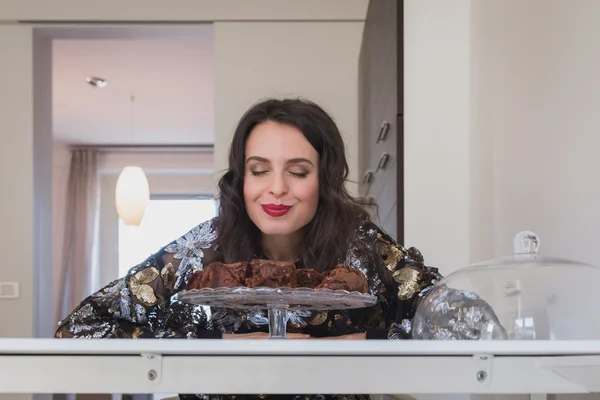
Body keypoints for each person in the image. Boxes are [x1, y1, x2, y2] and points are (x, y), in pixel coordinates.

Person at [55, 98, 442, 399]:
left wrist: (360, 345)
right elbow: (78, 331)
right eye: (259, 170)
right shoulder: (199, 250)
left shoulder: (363, 248)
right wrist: (215, 344)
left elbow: (459, 323)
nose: (276, 188)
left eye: (297, 171)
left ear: (324, 179)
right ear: (241, 178)